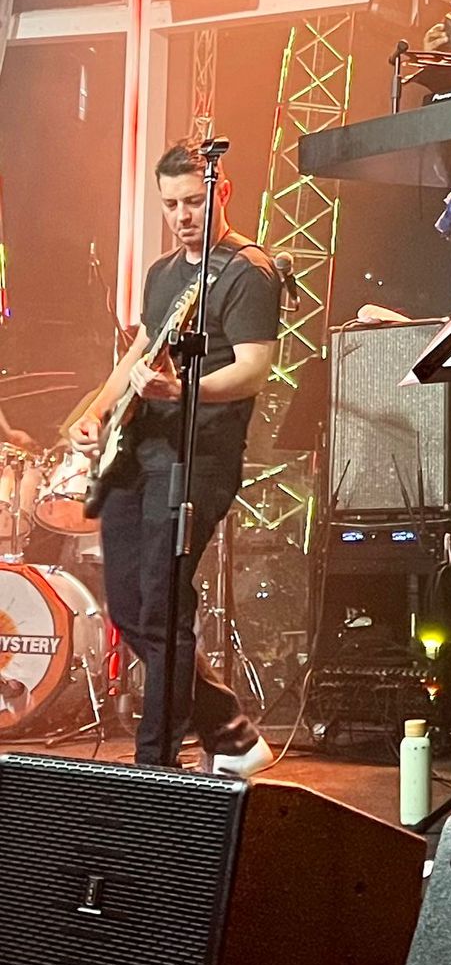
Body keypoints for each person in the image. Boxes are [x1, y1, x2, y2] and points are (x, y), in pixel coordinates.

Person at [72, 140, 280, 774]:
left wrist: (183, 391)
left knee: (163, 608)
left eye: (193, 201)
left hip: (198, 454)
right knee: (128, 608)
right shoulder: (164, 273)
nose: (182, 216)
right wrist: (96, 412)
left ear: (222, 192)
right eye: (170, 205)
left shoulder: (249, 271)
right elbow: (139, 351)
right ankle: (228, 729)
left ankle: (155, 767)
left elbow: (253, 369)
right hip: (136, 451)